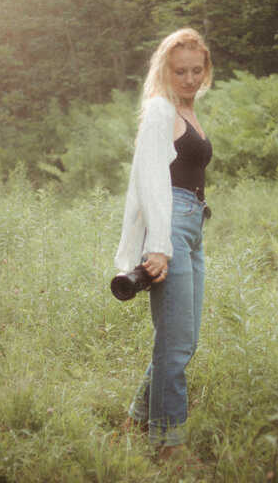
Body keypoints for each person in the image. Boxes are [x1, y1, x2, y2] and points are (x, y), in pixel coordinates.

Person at [115, 28, 213, 458]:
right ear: (165, 70)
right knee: (174, 344)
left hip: (192, 228)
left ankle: (137, 418)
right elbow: (151, 176)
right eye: (180, 71)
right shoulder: (159, 108)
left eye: (196, 70)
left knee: (181, 339)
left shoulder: (187, 108)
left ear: (205, 69)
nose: (189, 79)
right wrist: (158, 244)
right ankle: (168, 444)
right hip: (170, 226)